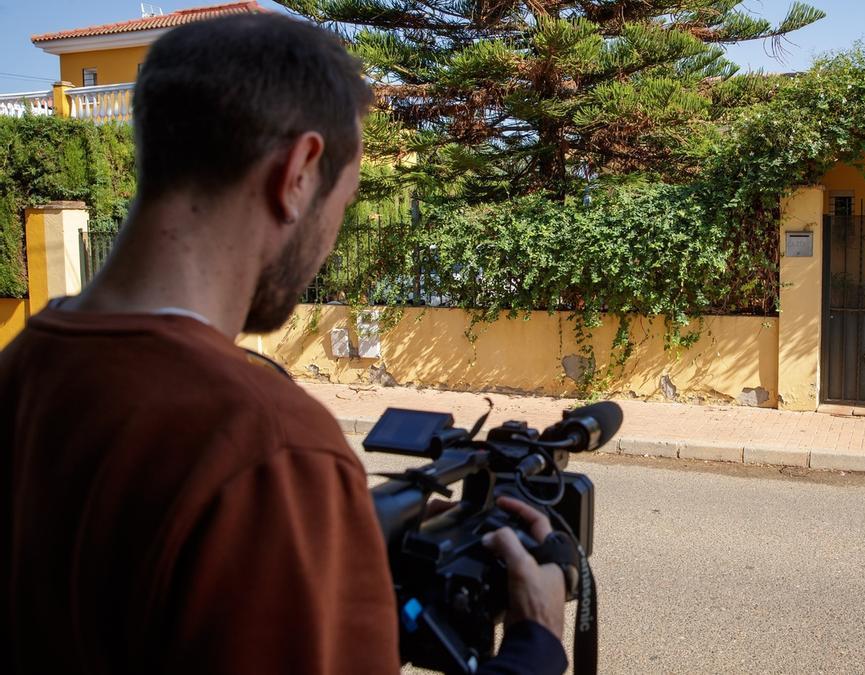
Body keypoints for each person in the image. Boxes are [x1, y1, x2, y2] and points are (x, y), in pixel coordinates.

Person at [0, 12, 566, 675]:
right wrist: (536, 644)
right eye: (343, 205)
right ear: (298, 172)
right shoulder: (268, 448)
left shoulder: (22, 371)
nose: (328, 243)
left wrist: (343, 539)